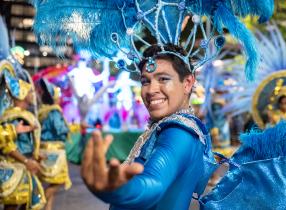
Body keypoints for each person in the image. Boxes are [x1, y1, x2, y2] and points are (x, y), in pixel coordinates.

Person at [81, 44, 217, 210]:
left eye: (163, 79)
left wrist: (120, 190)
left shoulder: (180, 132)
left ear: (188, 82)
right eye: (145, 81)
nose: (151, 90)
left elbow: (153, 184)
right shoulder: (163, 128)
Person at [0, 70, 46, 210]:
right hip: (16, 167)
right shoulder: (16, 118)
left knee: (24, 203)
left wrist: (35, 156)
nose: (34, 95)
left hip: (23, 166)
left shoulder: (24, 115)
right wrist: (26, 161)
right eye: (30, 92)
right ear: (22, 95)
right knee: (13, 204)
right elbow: (7, 145)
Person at [36, 78, 72, 210]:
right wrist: (69, 127)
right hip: (54, 151)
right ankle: (40, 202)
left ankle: (48, 207)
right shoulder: (54, 111)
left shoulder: (42, 110)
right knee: (58, 181)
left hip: (42, 149)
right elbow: (60, 129)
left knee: (47, 181)